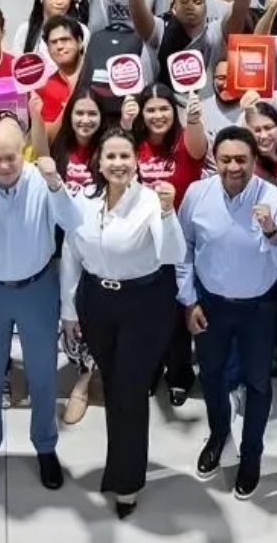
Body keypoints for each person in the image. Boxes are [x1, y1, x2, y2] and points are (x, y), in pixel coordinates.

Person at [0, 119, 82, 491]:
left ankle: (45, 447)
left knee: (42, 376)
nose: (5, 166)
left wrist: (57, 184)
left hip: (37, 287)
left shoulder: (42, 183)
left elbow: (75, 224)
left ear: (23, 153)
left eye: (11, 158)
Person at [61, 129, 185, 518]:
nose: (117, 164)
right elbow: (71, 253)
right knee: (113, 387)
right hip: (97, 300)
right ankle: (120, 466)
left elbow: (172, 252)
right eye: (109, 156)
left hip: (142, 304)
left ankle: (127, 481)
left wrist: (168, 213)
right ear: (98, 162)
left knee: (129, 390)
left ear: (135, 162)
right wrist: (68, 310)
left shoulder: (151, 200)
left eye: (124, 157)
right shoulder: (84, 199)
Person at [176, 125, 277, 499]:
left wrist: (270, 232)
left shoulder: (276, 200)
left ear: (254, 161)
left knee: (258, 383)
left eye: (242, 160)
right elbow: (182, 248)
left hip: (258, 309)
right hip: (211, 305)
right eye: (226, 159)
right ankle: (218, 436)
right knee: (212, 376)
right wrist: (188, 301)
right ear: (215, 159)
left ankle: (252, 457)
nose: (234, 167)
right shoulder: (198, 195)